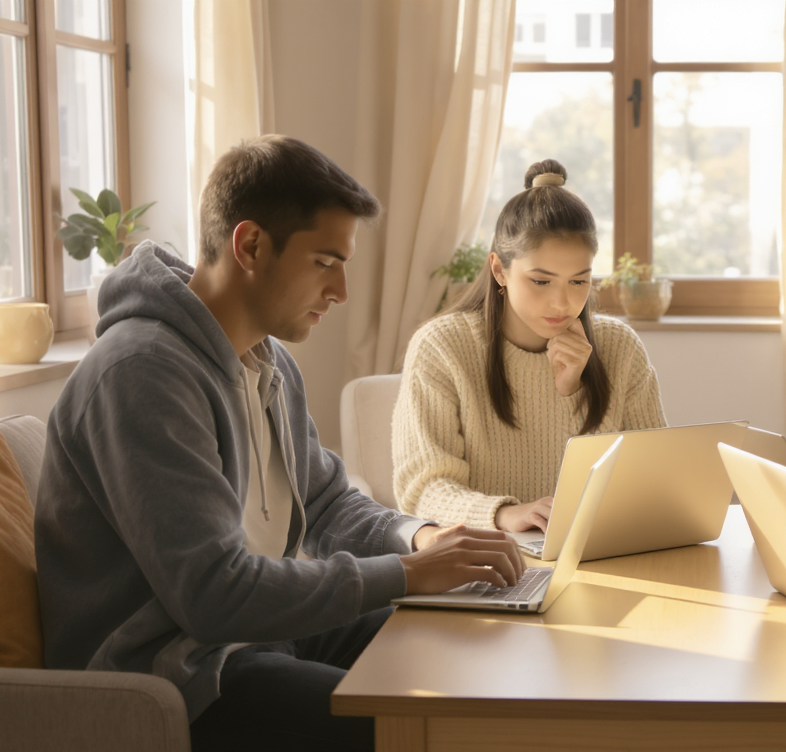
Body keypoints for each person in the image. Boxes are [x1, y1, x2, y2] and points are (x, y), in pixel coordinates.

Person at [35, 135, 525, 752]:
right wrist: (407, 573)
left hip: (259, 636)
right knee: (417, 726)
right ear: (250, 245)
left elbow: (326, 504)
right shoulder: (139, 373)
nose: (341, 290)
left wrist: (422, 539)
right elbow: (213, 595)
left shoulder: (268, 362)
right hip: (178, 672)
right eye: (325, 261)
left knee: (458, 644)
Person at [393, 159, 666, 532]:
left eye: (578, 282)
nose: (562, 303)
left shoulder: (619, 347)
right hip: (487, 557)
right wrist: (505, 514)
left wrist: (572, 390)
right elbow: (423, 488)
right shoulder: (441, 347)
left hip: (599, 557)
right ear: (499, 270)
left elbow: (652, 477)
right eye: (541, 281)